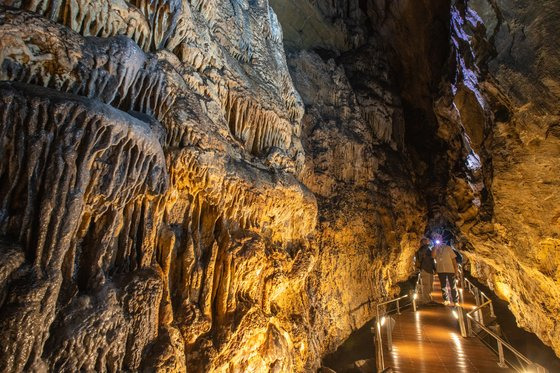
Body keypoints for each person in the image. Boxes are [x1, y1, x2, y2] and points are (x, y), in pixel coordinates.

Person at [432, 238, 459, 306]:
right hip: (441, 270)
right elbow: (433, 256)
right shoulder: (434, 249)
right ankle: (446, 300)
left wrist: (456, 270)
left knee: (453, 286)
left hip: (450, 269)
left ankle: (455, 301)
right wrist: (435, 248)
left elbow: (453, 259)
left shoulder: (448, 248)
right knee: (443, 286)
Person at [414, 238, 435, 304]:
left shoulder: (427, 249)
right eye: (426, 240)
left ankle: (428, 298)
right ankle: (426, 300)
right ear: (423, 242)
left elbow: (432, 258)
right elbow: (423, 256)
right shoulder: (422, 249)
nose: (428, 241)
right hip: (425, 268)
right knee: (426, 285)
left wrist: (434, 268)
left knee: (430, 285)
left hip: (429, 268)